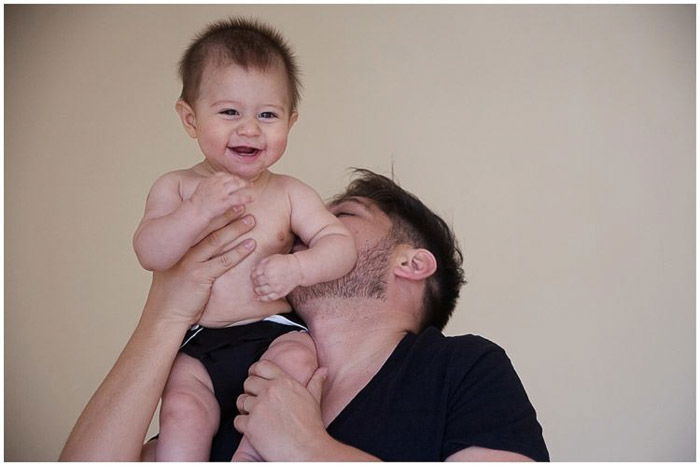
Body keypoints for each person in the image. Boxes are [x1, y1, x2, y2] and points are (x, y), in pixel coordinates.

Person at [60, 169, 549, 462]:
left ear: (411, 263)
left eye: (341, 216)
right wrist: (165, 313)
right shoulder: (230, 387)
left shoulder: (464, 368)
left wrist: (308, 449)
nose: (302, 229)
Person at [131, 18, 357, 461]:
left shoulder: (289, 192)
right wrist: (196, 212)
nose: (250, 129)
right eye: (229, 112)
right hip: (199, 341)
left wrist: (298, 267)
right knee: (180, 408)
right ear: (191, 119)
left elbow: (339, 244)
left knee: (295, 365)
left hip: (272, 332)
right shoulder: (176, 187)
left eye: (267, 115)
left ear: (290, 122)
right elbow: (149, 251)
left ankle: (250, 457)